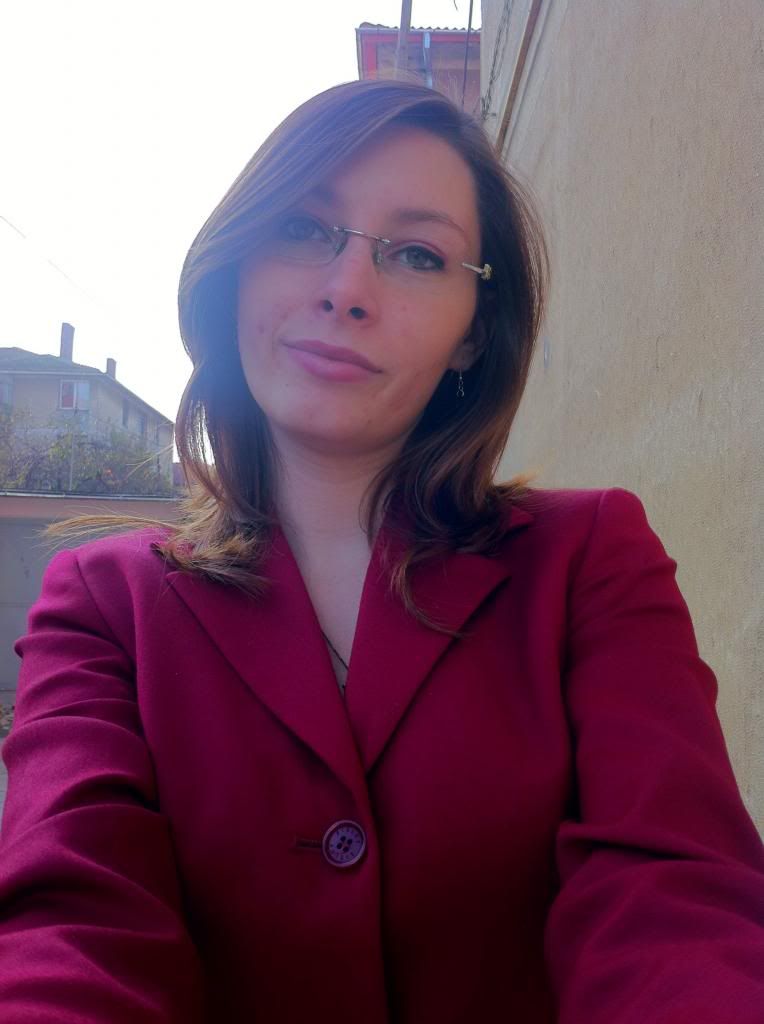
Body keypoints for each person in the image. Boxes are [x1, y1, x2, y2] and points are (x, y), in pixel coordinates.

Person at [0, 79, 762, 1024]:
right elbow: (68, 923)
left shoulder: (589, 560)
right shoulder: (102, 602)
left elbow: (676, 900)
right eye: (303, 229)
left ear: (473, 334)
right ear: (236, 271)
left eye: (417, 254)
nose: (346, 290)